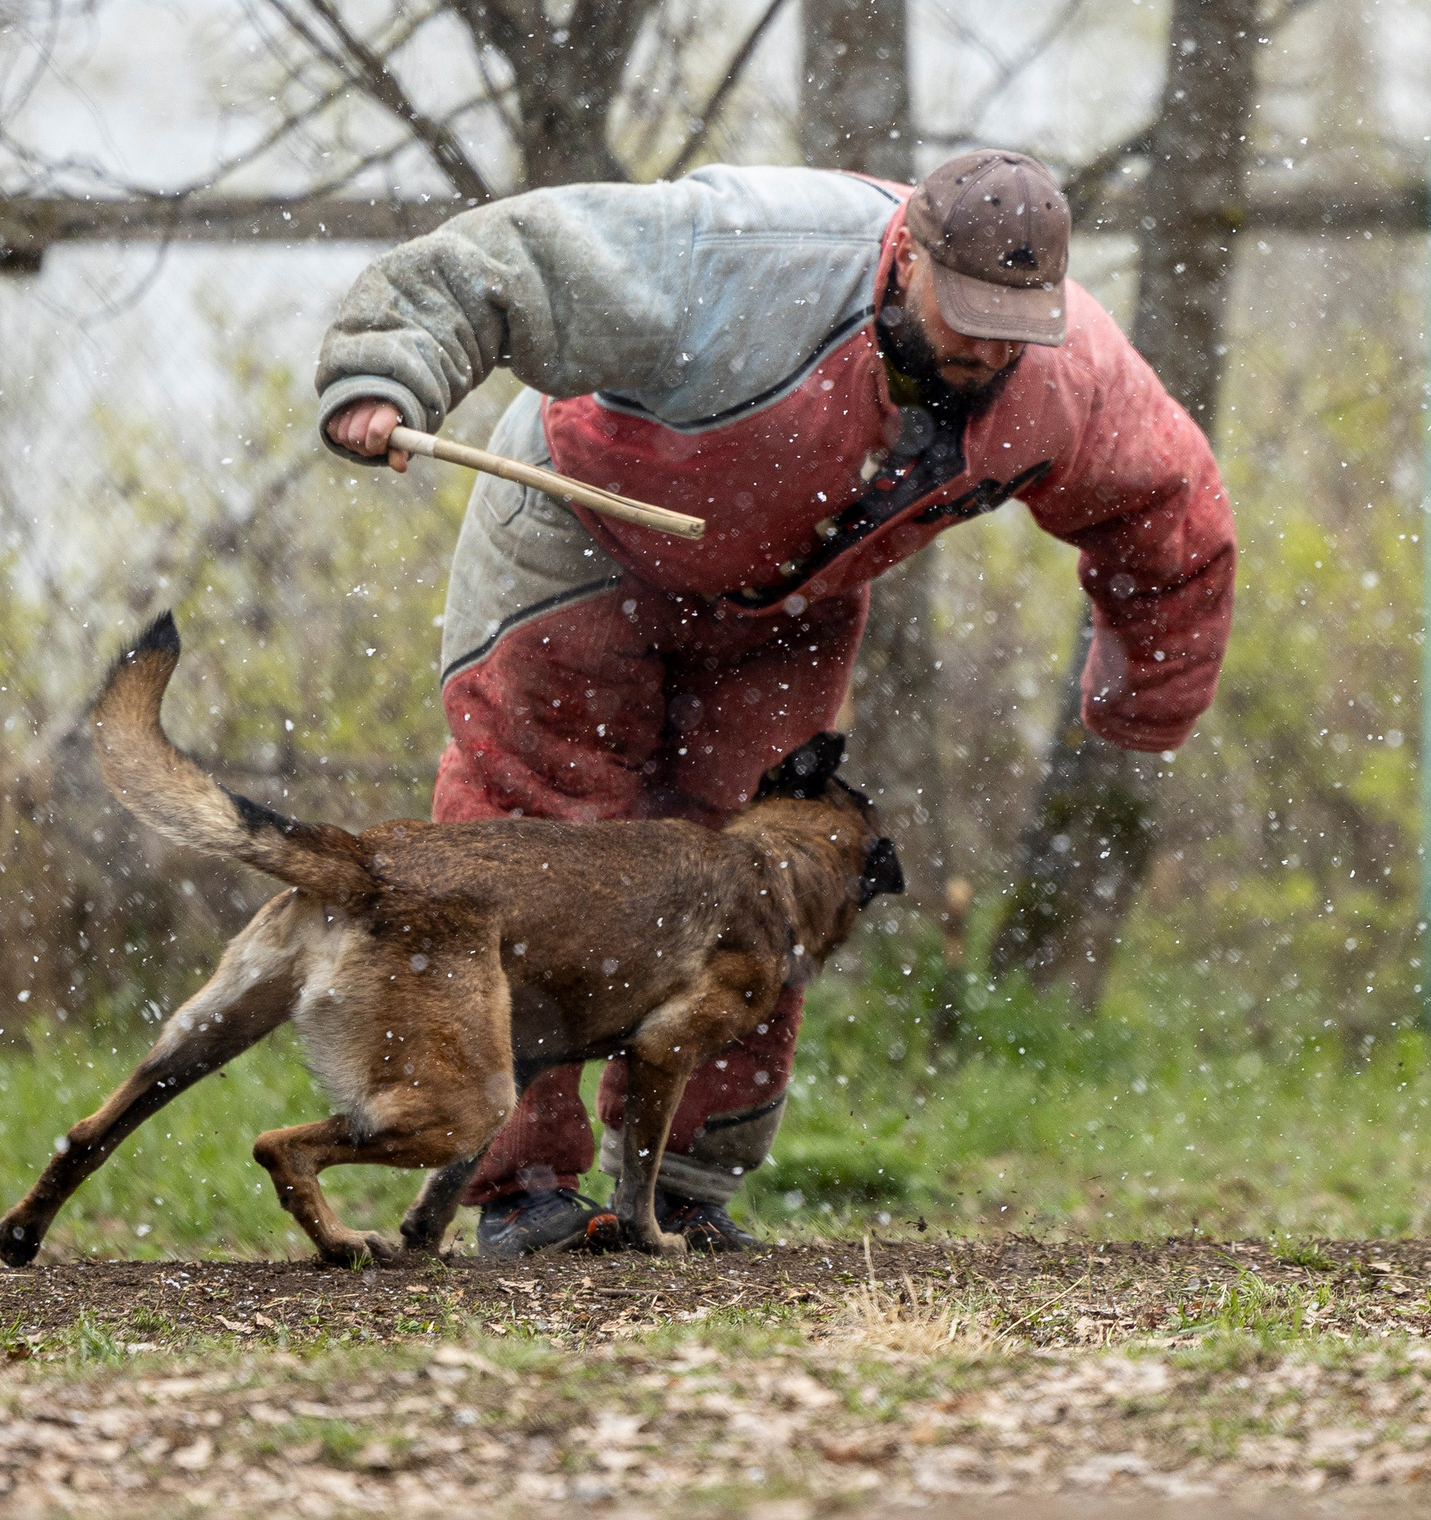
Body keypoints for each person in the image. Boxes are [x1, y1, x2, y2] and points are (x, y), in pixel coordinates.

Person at [314, 150, 1235, 1256]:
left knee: (775, 878)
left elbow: (1170, 513)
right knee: (541, 845)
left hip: (788, 599)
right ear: (906, 257)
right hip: (580, 533)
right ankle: (519, 1187)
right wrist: (385, 369)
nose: (988, 346)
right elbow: (521, 257)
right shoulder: (744, 254)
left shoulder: (1067, 371)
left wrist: (1148, 695)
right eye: (968, 312)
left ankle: (686, 1187)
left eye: (1016, 321)